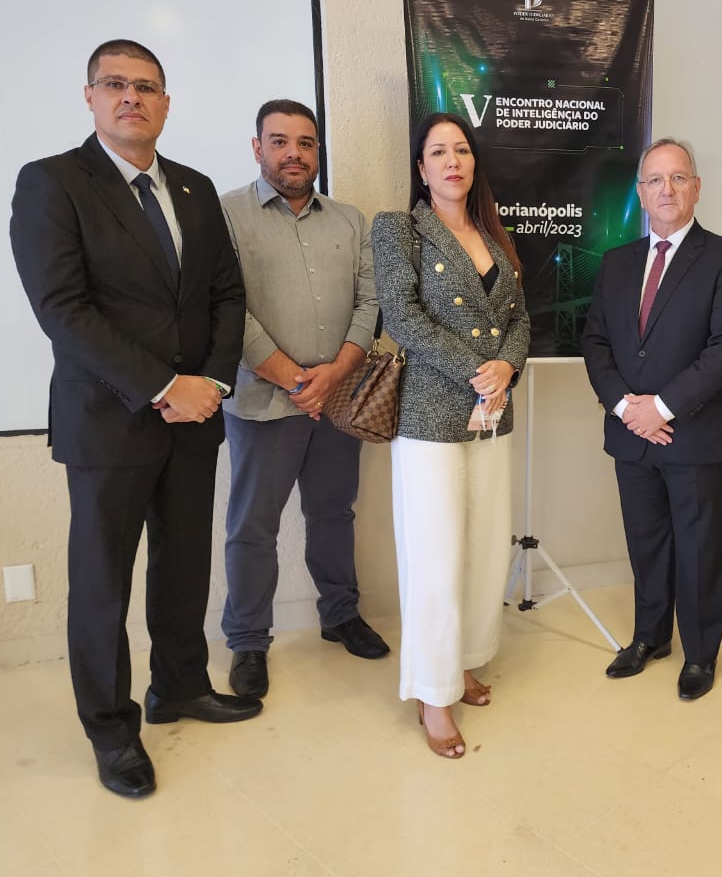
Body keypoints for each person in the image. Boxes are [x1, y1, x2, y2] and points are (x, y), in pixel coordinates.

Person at [9, 39, 259, 799]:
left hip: (195, 418)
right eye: (114, 84)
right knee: (102, 585)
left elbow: (226, 294)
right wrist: (162, 385)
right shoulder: (54, 182)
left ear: (165, 103)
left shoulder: (193, 187)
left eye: (146, 86)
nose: (131, 97)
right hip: (108, 421)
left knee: (183, 567)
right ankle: (111, 729)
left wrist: (211, 382)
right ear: (89, 96)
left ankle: (179, 686)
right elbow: (63, 309)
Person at [370, 112, 530, 759]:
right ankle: (433, 693)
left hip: (492, 411)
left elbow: (520, 319)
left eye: (461, 150)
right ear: (421, 168)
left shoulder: (495, 232)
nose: (452, 161)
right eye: (438, 152)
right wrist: (476, 369)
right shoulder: (398, 229)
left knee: (486, 546)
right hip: (431, 415)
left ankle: (463, 663)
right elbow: (402, 316)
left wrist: (507, 367)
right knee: (435, 555)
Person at [218, 99, 388, 701]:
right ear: (257, 147)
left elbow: (371, 302)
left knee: (334, 514)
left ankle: (340, 615)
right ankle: (247, 641)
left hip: (339, 402)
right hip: (263, 403)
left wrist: (334, 375)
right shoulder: (225, 214)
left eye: (306, 143)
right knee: (252, 527)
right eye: (280, 141)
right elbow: (226, 309)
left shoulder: (350, 220)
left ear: (318, 151)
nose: (294, 153)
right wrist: (297, 380)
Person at [581, 138, 722, 702]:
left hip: (699, 436)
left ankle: (700, 652)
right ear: (640, 192)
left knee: (699, 548)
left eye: (678, 178)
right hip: (632, 436)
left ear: (697, 188)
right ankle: (650, 637)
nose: (667, 189)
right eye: (655, 180)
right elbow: (596, 342)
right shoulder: (617, 262)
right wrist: (625, 407)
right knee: (647, 542)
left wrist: (659, 407)